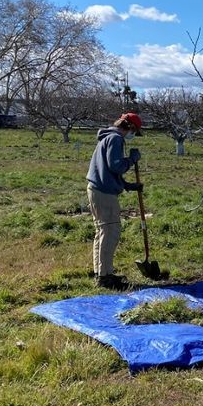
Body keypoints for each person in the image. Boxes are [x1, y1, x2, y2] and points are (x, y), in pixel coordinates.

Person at [86, 113, 144, 289]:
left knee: (102, 231)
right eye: (134, 131)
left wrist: (127, 185)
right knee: (110, 231)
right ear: (130, 128)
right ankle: (105, 278)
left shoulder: (106, 137)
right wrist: (132, 160)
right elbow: (116, 165)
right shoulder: (116, 139)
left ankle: (102, 272)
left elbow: (107, 170)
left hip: (97, 189)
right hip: (104, 193)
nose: (133, 135)